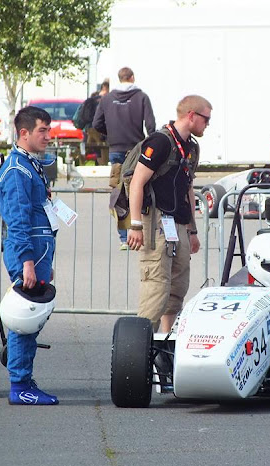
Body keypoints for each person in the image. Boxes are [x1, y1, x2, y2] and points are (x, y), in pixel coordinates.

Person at [127, 95, 210, 333]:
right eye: (206, 119)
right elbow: (137, 183)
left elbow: (188, 188)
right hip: (155, 222)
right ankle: (141, 349)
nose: (207, 125)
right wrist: (135, 225)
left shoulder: (191, 147)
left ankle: (166, 345)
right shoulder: (160, 141)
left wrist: (192, 230)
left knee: (177, 289)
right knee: (156, 287)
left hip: (179, 224)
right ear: (191, 115)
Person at [0, 106, 59, 405]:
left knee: (32, 321)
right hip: (29, 254)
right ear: (24, 133)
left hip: (38, 253)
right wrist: (27, 261)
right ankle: (19, 385)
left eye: (49, 130)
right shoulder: (17, 170)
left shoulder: (31, 165)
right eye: (42, 131)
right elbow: (17, 219)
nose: (49, 136)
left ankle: (24, 378)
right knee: (24, 319)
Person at [93, 67, 156, 250]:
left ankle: (123, 238)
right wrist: (151, 143)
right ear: (132, 77)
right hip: (136, 150)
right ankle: (137, 230)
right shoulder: (141, 97)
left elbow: (97, 123)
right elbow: (150, 125)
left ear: (119, 79)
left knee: (119, 192)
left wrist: (110, 135)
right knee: (137, 188)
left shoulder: (107, 98)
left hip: (116, 150)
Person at [75, 79, 109, 165]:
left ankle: (81, 165)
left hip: (88, 130)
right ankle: (103, 166)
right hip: (101, 131)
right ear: (106, 88)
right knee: (103, 149)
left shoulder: (90, 100)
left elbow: (79, 117)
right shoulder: (107, 100)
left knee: (86, 149)